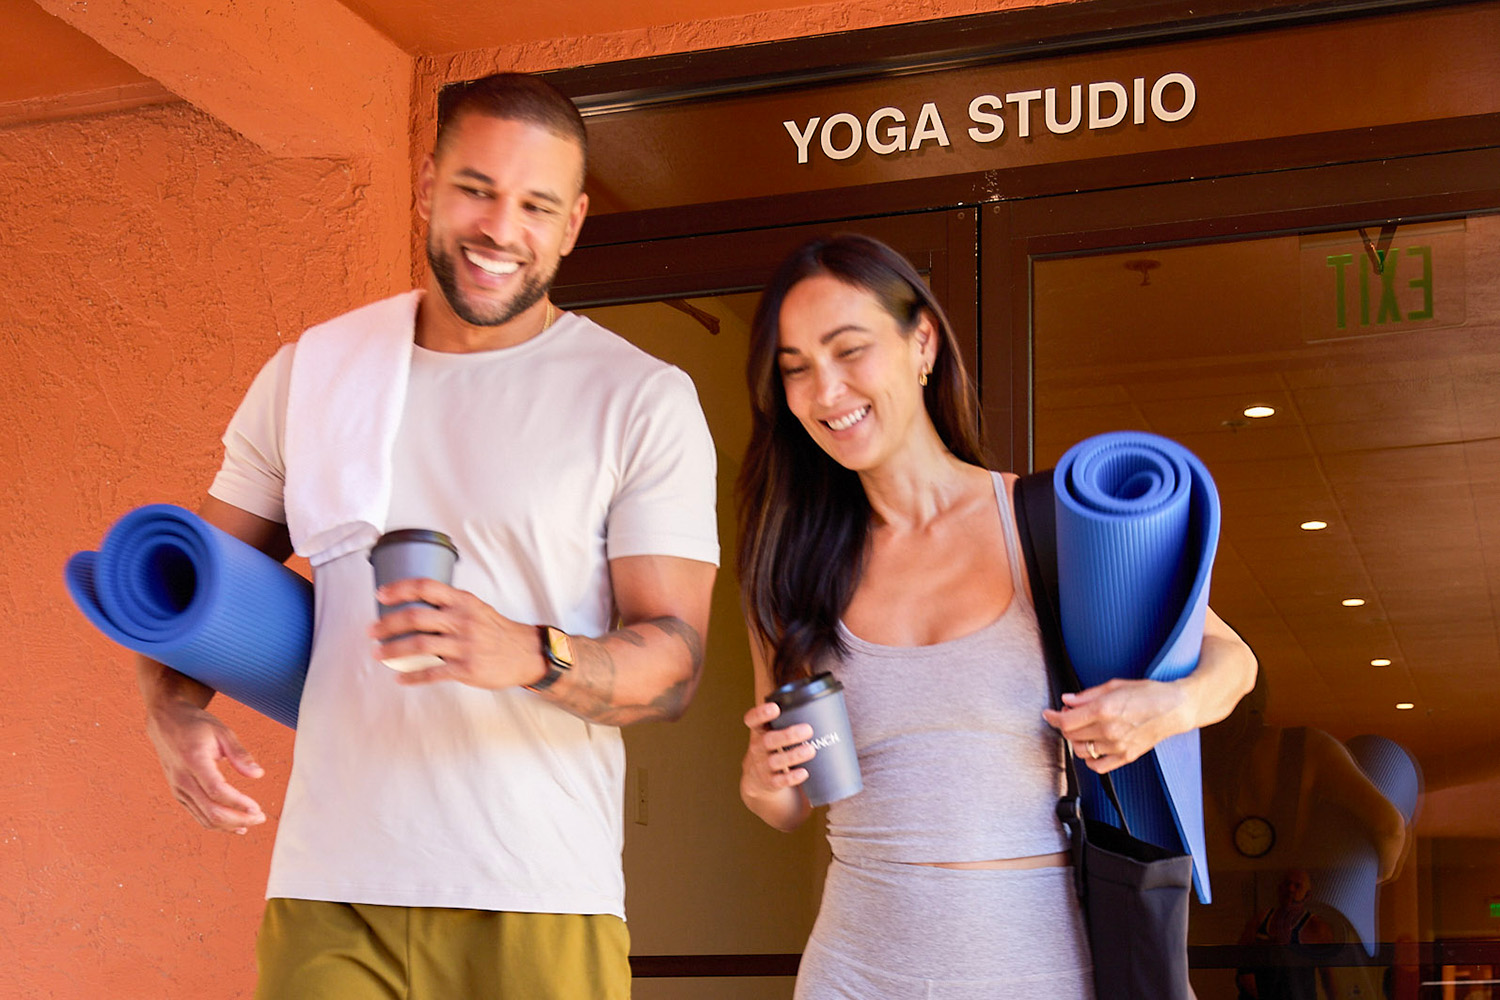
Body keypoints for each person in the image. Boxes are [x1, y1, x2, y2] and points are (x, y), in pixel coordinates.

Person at [136, 73, 719, 999]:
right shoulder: (312, 373)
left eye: (534, 205)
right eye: (476, 190)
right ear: (426, 186)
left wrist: (528, 653)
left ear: (571, 225)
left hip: (539, 895)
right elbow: (203, 582)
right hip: (331, 892)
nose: (499, 228)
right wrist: (171, 709)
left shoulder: (640, 399)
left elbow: (675, 666)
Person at [735, 233, 1257, 999]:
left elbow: (1235, 664)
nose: (827, 391)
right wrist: (760, 782)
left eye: (850, 351)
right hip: (854, 971)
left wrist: (1166, 708)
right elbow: (791, 801)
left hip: (1041, 970)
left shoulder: (1042, 524)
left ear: (922, 345)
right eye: (797, 371)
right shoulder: (789, 570)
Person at [1235, 869, 1339, 1000]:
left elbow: (1328, 977)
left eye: (1297, 886)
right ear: (1279, 889)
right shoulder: (1259, 921)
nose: (1290, 889)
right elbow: (1242, 966)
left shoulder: (1317, 928)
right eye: (1287, 884)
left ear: (1307, 895)